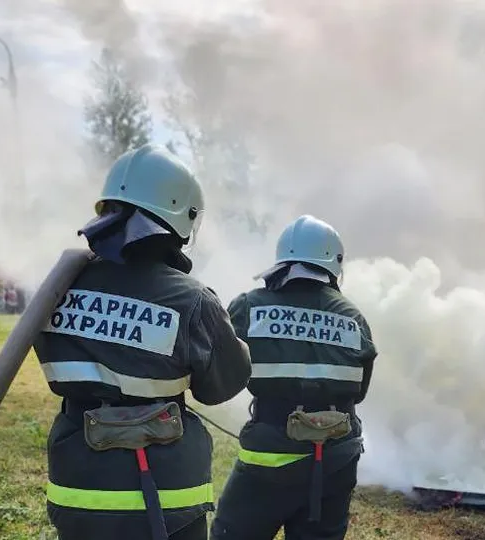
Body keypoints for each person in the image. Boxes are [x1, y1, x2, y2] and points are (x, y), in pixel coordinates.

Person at [33, 144, 252, 540]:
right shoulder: (193, 299)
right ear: (181, 216)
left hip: (79, 490)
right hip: (169, 501)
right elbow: (221, 386)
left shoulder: (57, 286)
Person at [210, 214, 378, 540]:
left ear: (282, 261)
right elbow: (359, 392)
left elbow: (220, 372)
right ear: (334, 263)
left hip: (268, 459)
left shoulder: (250, 307)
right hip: (336, 459)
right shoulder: (353, 317)